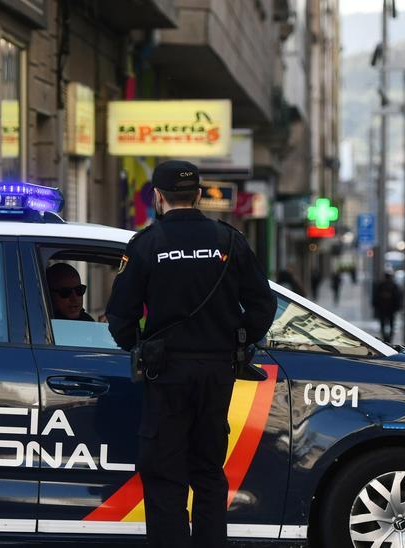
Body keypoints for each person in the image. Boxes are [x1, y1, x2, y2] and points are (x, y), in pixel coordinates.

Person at [107, 160, 277, 548]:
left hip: (165, 374)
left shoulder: (147, 244)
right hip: (218, 372)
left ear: (158, 197)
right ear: (199, 195)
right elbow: (263, 306)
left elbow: (120, 316)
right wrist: (237, 341)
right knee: (208, 471)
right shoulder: (230, 241)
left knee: (165, 473)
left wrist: (139, 347)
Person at [371, 272, 402, 343]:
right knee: (389, 325)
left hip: (385, 309)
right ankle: (388, 338)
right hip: (389, 310)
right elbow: (398, 298)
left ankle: (386, 338)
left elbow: (375, 297)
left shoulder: (382, 285)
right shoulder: (392, 286)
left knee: (385, 324)